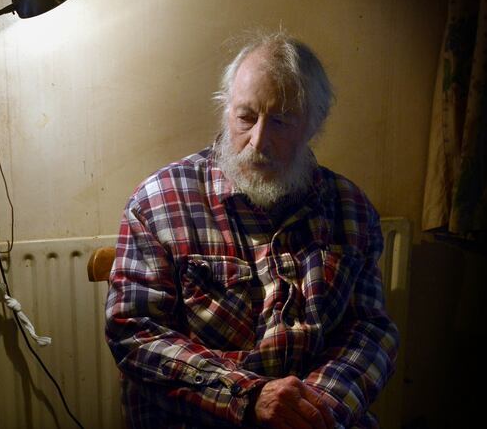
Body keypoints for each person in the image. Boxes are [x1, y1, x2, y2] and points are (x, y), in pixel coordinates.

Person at [105, 31, 399, 429]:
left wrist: (318, 407)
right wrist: (249, 397)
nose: (258, 140)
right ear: (226, 109)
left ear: (314, 124)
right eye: (246, 116)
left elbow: (369, 329)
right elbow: (135, 334)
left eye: (280, 121)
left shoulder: (351, 208)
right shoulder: (157, 202)